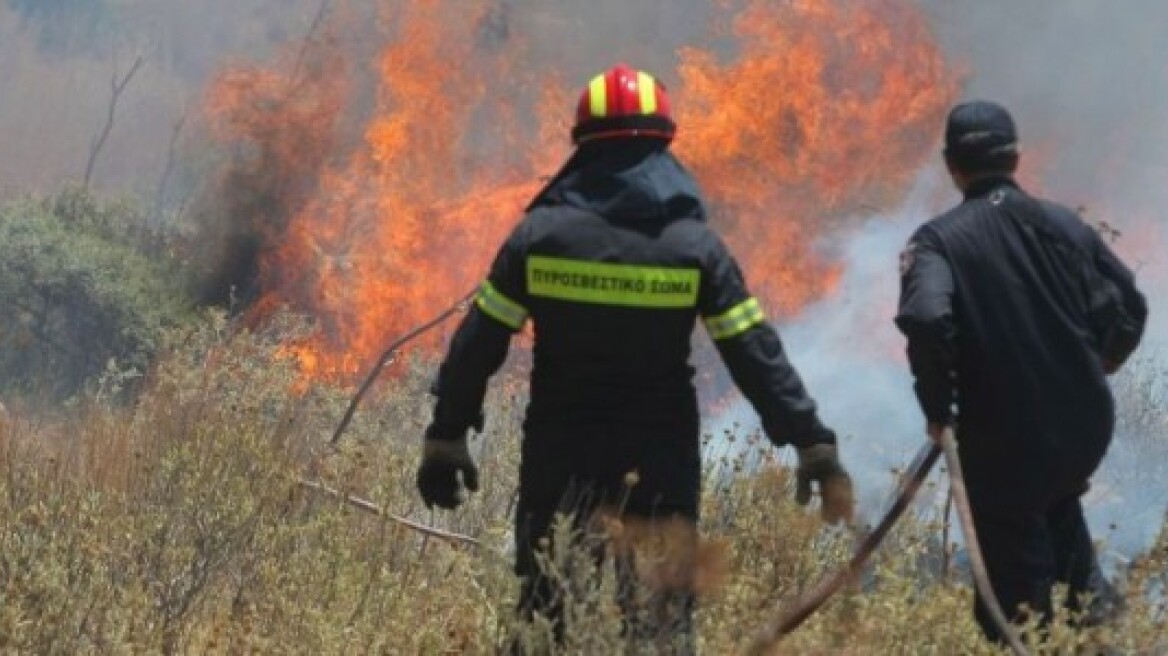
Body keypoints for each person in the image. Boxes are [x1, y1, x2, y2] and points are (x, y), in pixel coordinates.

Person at [416, 64, 854, 653]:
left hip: (560, 458)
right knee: (659, 629)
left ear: (583, 147)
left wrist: (446, 437)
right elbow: (755, 356)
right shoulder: (692, 247)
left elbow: (478, 344)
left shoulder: (540, 237)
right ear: (664, 146)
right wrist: (812, 442)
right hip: (659, 466)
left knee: (547, 620)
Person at [896, 100, 1148, 642]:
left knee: (1016, 596)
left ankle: (1029, 636)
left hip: (1002, 439)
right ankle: (1098, 632)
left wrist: (939, 409)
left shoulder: (938, 241)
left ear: (951, 165)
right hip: (1081, 428)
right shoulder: (1061, 225)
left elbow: (925, 316)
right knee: (1058, 516)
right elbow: (1131, 308)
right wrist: (1099, 365)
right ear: (1014, 158)